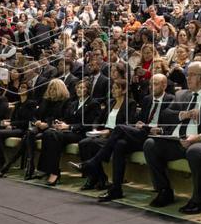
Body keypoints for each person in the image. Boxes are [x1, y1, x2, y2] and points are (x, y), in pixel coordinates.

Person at [142, 61, 201, 214]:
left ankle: (200, 200)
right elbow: (165, 116)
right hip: (178, 140)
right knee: (150, 144)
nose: (187, 78)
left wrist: (199, 137)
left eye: (191, 74)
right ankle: (164, 190)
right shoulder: (182, 94)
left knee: (195, 151)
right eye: (187, 74)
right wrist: (182, 114)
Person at [72, 73, 173, 201]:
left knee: (119, 128)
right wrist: (140, 124)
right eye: (150, 84)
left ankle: (93, 162)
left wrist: (148, 127)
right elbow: (139, 121)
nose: (151, 87)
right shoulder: (147, 99)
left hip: (157, 136)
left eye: (155, 84)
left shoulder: (171, 99)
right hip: (142, 134)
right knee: (119, 144)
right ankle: (116, 189)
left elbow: (168, 125)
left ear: (164, 85)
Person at [36, 79, 94, 186]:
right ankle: (51, 170)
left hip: (81, 133)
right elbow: (67, 118)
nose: (79, 90)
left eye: (82, 88)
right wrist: (60, 123)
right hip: (68, 131)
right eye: (78, 87)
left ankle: (53, 172)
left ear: (88, 90)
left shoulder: (93, 103)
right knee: (49, 133)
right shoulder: (74, 103)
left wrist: (69, 126)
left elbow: (88, 124)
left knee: (53, 134)